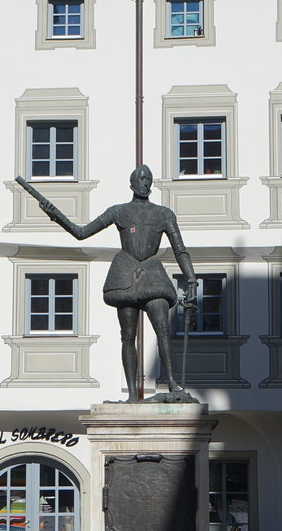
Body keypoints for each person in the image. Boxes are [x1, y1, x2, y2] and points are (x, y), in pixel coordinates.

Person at [32, 164, 198, 401]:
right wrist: (55, 215)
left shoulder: (164, 214)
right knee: (128, 336)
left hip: (152, 273)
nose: (145, 183)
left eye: (148, 179)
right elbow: (81, 232)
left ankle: (171, 383)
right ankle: (132, 394)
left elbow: (180, 250)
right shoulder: (118, 211)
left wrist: (191, 280)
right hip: (125, 273)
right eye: (141, 179)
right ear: (131, 183)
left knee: (163, 329)